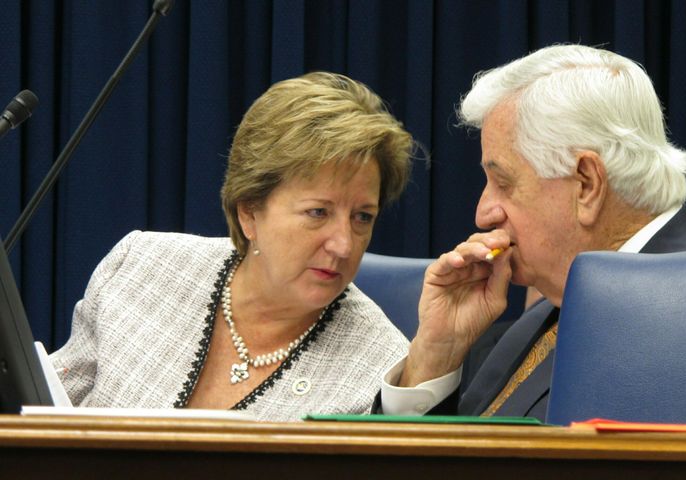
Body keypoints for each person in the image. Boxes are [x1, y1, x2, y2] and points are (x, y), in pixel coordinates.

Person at [379, 44, 686, 420]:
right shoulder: (543, 314)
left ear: (586, 184)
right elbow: (438, 474)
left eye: (503, 183)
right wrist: (436, 356)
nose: (482, 214)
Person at [52, 72, 414, 421]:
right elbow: (45, 409)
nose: (343, 245)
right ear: (249, 212)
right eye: (318, 212)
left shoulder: (381, 365)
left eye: (362, 217)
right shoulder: (140, 268)